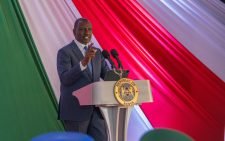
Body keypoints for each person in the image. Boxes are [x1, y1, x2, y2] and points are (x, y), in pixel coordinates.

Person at [57, 18, 109, 141]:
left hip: (96, 110)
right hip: (75, 111)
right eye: (82, 29)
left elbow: (106, 75)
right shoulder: (65, 52)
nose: (86, 33)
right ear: (74, 31)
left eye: (89, 30)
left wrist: (118, 75)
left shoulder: (97, 53)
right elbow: (65, 78)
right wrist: (83, 62)